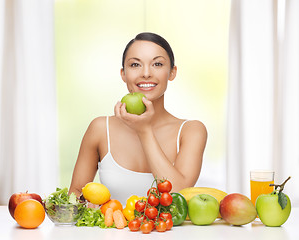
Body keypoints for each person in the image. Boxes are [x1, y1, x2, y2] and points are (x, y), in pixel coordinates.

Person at [69, 32, 207, 204]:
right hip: (112, 231)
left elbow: (177, 196)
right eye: (135, 64)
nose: (146, 73)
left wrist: (144, 131)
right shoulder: (100, 129)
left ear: (172, 72)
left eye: (157, 64)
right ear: (123, 74)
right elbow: (74, 196)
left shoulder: (191, 131)